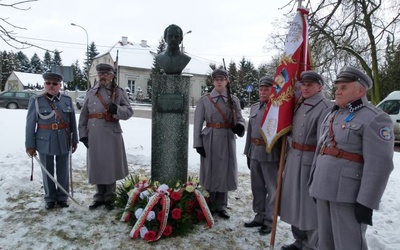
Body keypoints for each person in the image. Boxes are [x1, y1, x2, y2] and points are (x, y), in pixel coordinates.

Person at [309, 66, 394, 249]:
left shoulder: (374, 118)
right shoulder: (333, 114)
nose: (338, 91)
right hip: (323, 189)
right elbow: (321, 149)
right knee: (326, 243)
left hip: (348, 195)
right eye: (337, 87)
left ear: (360, 90)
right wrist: (313, 182)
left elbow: (380, 165)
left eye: (344, 87)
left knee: (348, 244)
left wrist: (367, 202)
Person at [279, 71, 333, 250]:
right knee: (294, 201)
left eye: (310, 85)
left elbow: (322, 141)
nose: (305, 88)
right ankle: (299, 239)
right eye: (303, 84)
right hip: (294, 157)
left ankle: (312, 244)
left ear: (320, 86)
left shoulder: (324, 106)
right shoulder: (299, 104)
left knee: (309, 206)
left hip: (310, 161)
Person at [78, 63, 134, 211]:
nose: (102, 76)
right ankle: (99, 196)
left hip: (111, 133)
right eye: (100, 73)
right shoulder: (91, 92)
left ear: (112, 75)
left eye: (106, 73)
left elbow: (129, 111)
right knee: (97, 164)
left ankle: (110, 196)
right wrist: (83, 134)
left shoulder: (118, 92)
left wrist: (117, 109)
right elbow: (84, 115)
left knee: (109, 165)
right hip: (94, 133)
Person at [193, 68, 245, 219]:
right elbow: (197, 123)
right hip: (209, 139)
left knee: (224, 171)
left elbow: (240, 118)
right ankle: (208, 203)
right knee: (209, 171)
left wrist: (240, 126)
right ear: (213, 81)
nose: (219, 81)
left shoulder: (233, 100)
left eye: (222, 79)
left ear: (227, 81)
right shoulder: (205, 100)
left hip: (227, 139)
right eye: (216, 79)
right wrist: (198, 143)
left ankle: (221, 206)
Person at [25, 72, 78, 209]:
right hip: (44, 140)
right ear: (44, 84)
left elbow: (72, 122)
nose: (51, 86)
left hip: (63, 139)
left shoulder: (66, 100)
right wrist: (30, 145)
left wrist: (75, 140)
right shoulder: (36, 101)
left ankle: (62, 197)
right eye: (48, 83)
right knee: (47, 169)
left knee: (63, 169)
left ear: (60, 85)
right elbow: (30, 124)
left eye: (55, 83)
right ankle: (50, 198)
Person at [243, 76, 281, 235]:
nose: (263, 92)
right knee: (257, 187)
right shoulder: (254, 107)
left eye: (267, 89)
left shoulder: (278, 108)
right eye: (261, 89)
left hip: (270, 153)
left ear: (272, 90)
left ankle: (269, 220)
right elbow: (250, 132)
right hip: (255, 151)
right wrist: (247, 152)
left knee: (272, 189)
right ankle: (259, 215)